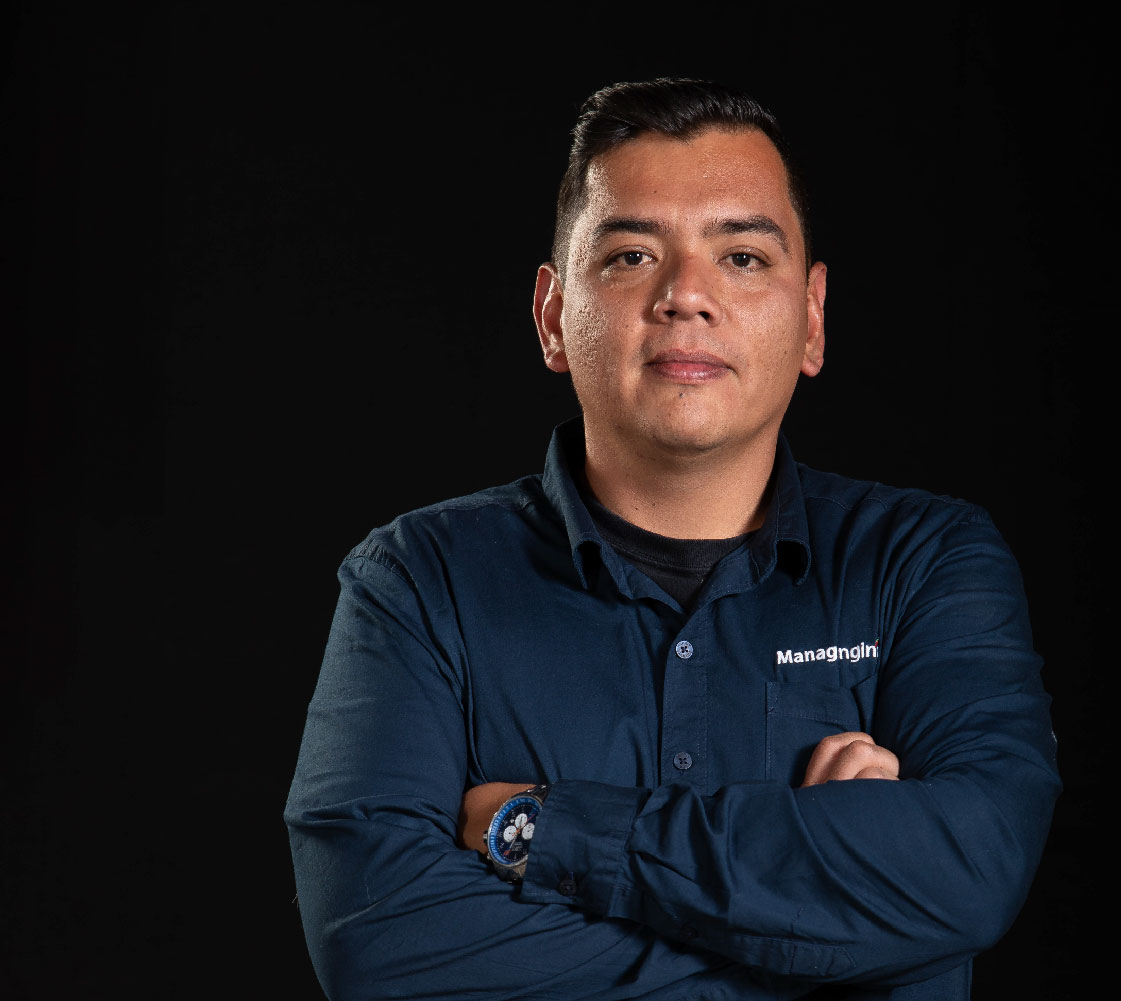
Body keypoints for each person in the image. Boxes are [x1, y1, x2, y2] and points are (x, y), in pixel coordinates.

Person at [285, 78, 1060, 1001]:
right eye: (631, 256)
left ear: (812, 319)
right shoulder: (417, 583)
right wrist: (828, 923)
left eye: (742, 256)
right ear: (552, 317)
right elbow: (381, 946)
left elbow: (976, 867)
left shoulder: (927, 562)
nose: (687, 294)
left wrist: (551, 832)